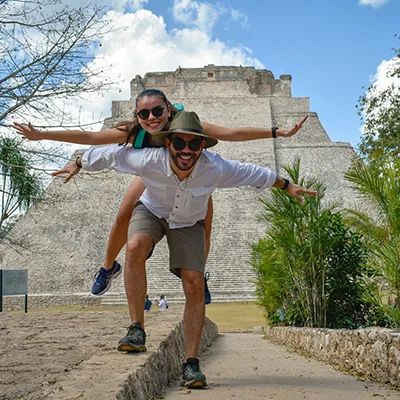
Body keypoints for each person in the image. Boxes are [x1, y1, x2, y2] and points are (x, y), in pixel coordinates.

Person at [53, 110, 317, 388]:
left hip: (188, 221)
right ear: (168, 144)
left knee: (194, 284)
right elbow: (110, 155)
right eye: (179, 143)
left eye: (194, 144)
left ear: (203, 145)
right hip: (153, 210)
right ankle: (136, 329)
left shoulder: (215, 168)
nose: (186, 150)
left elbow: (254, 173)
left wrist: (287, 185)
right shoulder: (148, 159)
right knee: (134, 246)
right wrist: (79, 162)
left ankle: (191, 364)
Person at [13, 89, 308, 300]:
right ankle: (107, 267)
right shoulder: (134, 134)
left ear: (168, 109)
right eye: (144, 113)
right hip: (151, 172)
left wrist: (275, 132)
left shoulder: (188, 127)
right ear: (137, 116)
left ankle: (199, 276)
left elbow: (230, 133)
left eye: (157, 111)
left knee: (203, 224)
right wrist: (44, 136)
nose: (152, 118)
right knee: (124, 215)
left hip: (191, 176)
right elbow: (91, 139)